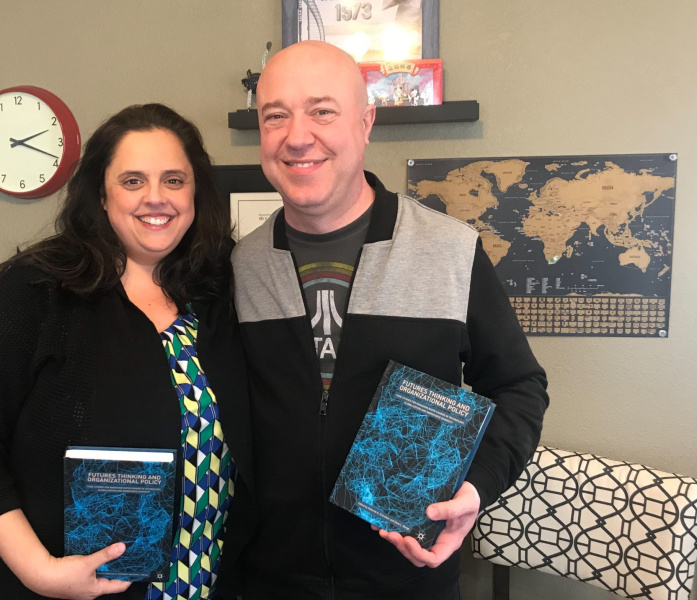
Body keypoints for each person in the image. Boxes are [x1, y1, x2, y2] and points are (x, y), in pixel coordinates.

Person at [229, 41, 549, 600]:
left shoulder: (450, 250)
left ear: (366, 121)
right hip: (268, 580)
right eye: (275, 115)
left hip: (408, 577)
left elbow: (519, 385)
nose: (297, 135)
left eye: (322, 110)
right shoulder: (238, 265)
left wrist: (478, 486)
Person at [0, 103, 253, 600]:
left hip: (207, 579)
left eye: (173, 180)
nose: (155, 198)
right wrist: (40, 571)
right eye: (132, 181)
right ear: (100, 194)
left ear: (195, 192)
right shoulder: (40, 288)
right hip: (69, 588)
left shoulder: (221, 289)